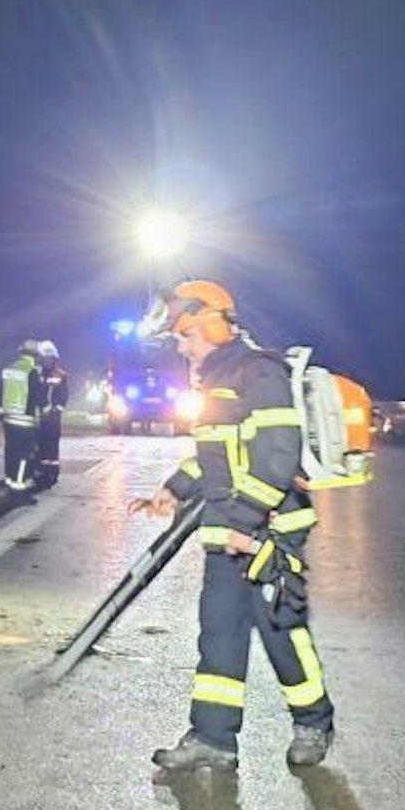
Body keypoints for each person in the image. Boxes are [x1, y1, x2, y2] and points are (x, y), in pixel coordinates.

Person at [127, 279, 336, 770]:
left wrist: (246, 520)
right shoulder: (216, 381)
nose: (182, 348)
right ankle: (213, 738)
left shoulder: (259, 373)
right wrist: (173, 489)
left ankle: (314, 722)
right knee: (219, 632)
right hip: (228, 533)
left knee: (281, 629)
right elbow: (214, 457)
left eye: (187, 336)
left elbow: (278, 457)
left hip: (269, 531)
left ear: (212, 326)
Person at [0, 340, 43, 490]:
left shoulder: (9, 369)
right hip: (24, 420)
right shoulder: (32, 371)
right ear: (35, 356)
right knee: (24, 453)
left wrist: (0, 413)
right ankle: (20, 484)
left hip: (8, 419)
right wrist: (43, 411)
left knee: (11, 450)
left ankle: (10, 479)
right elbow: (37, 396)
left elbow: (0, 392)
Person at [32, 340, 70, 490]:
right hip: (39, 417)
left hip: (53, 419)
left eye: (48, 358)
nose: (46, 361)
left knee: (52, 448)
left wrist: (56, 410)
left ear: (54, 358)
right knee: (39, 446)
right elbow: (35, 393)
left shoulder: (60, 375)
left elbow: (63, 395)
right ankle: (40, 472)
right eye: (44, 358)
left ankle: (52, 473)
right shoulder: (36, 373)